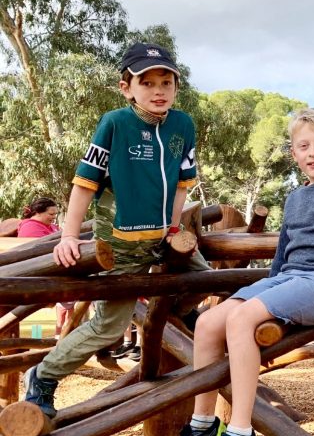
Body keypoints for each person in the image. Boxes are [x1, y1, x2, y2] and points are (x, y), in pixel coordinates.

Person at [158, 107, 314, 436]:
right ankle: (201, 427)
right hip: (292, 280)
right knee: (212, 320)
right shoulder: (295, 198)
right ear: (293, 153)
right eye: (304, 145)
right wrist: (272, 299)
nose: (313, 152)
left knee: (241, 320)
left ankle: (241, 435)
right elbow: (283, 255)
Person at [22, 42, 211, 416]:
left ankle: (175, 310)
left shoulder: (183, 125)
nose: (159, 91)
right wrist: (69, 235)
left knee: (203, 279)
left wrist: (174, 227)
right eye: (147, 82)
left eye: (166, 82)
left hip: (161, 237)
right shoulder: (115, 123)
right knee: (109, 328)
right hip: (120, 243)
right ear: (127, 88)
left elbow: (182, 185)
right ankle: (43, 375)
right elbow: (85, 184)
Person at [17, 198, 74, 337]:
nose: (54, 217)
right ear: (38, 212)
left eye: (55, 214)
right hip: (40, 275)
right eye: (51, 214)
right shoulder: (30, 228)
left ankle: (65, 333)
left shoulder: (52, 227)